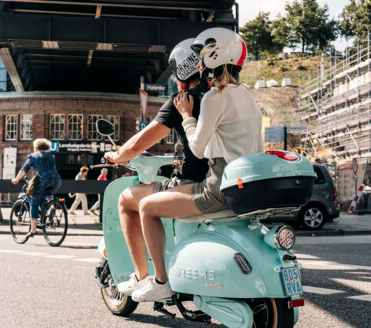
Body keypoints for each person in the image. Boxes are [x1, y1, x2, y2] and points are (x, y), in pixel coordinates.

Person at [131, 28, 264, 302]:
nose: (199, 64)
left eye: (202, 56)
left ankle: (160, 281)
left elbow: (197, 148)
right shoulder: (247, 95)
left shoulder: (216, 97)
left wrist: (187, 115)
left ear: (216, 57)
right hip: (246, 185)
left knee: (145, 206)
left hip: (218, 188)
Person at [104, 38, 210, 295]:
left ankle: (144, 277)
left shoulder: (183, 100)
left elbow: (138, 144)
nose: (174, 78)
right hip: (220, 179)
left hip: (192, 183)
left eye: (175, 71)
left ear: (185, 68)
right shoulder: (218, 96)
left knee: (126, 199)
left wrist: (117, 156)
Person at [12, 138, 61, 238]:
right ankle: (50, 210)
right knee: (48, 196)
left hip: (42, 182)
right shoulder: (51, 156)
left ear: (36, 147)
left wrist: (16, 179)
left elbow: (24, 169)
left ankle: (33, 230)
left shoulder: (33, 156)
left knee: (33, 203)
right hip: (55, 181)